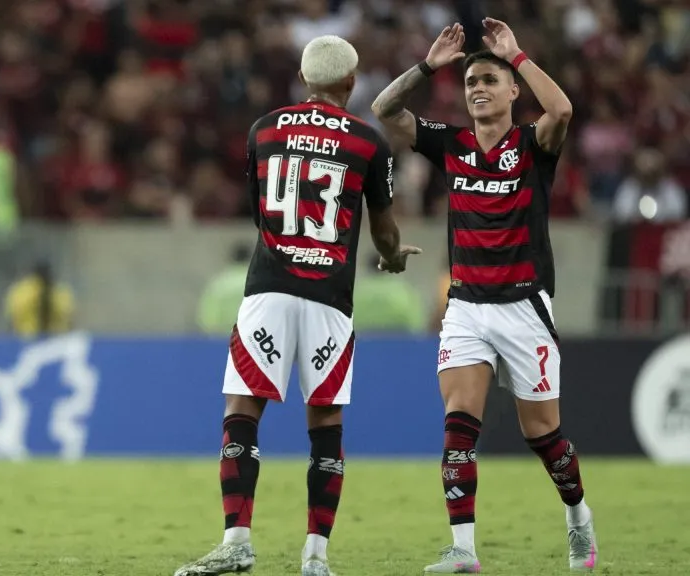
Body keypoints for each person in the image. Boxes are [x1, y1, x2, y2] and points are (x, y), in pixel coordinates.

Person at [174, 35, 420, 576]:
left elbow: (263, 212)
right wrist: (393, 257)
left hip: (268, 287)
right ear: (351, 83)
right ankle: (316, 557)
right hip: (329, 297)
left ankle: (236, 542)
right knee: (326, 421)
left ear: (305, 80)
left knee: (242, 412)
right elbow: (382, 228)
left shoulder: (262, 130)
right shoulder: (368, 142)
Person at [371, 20, 596, 573]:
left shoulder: (532, 143)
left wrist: (516, 55)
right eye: (471, 80)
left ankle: (578, 519)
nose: (477, 87)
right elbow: (383, 109)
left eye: (489, 79)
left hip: (525, 306)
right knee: (458, 423)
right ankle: (463, 550)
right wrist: (428, 66)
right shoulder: (452, 145)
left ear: (513, 91)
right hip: (467, 307)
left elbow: (562, 110)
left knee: (541, 434)